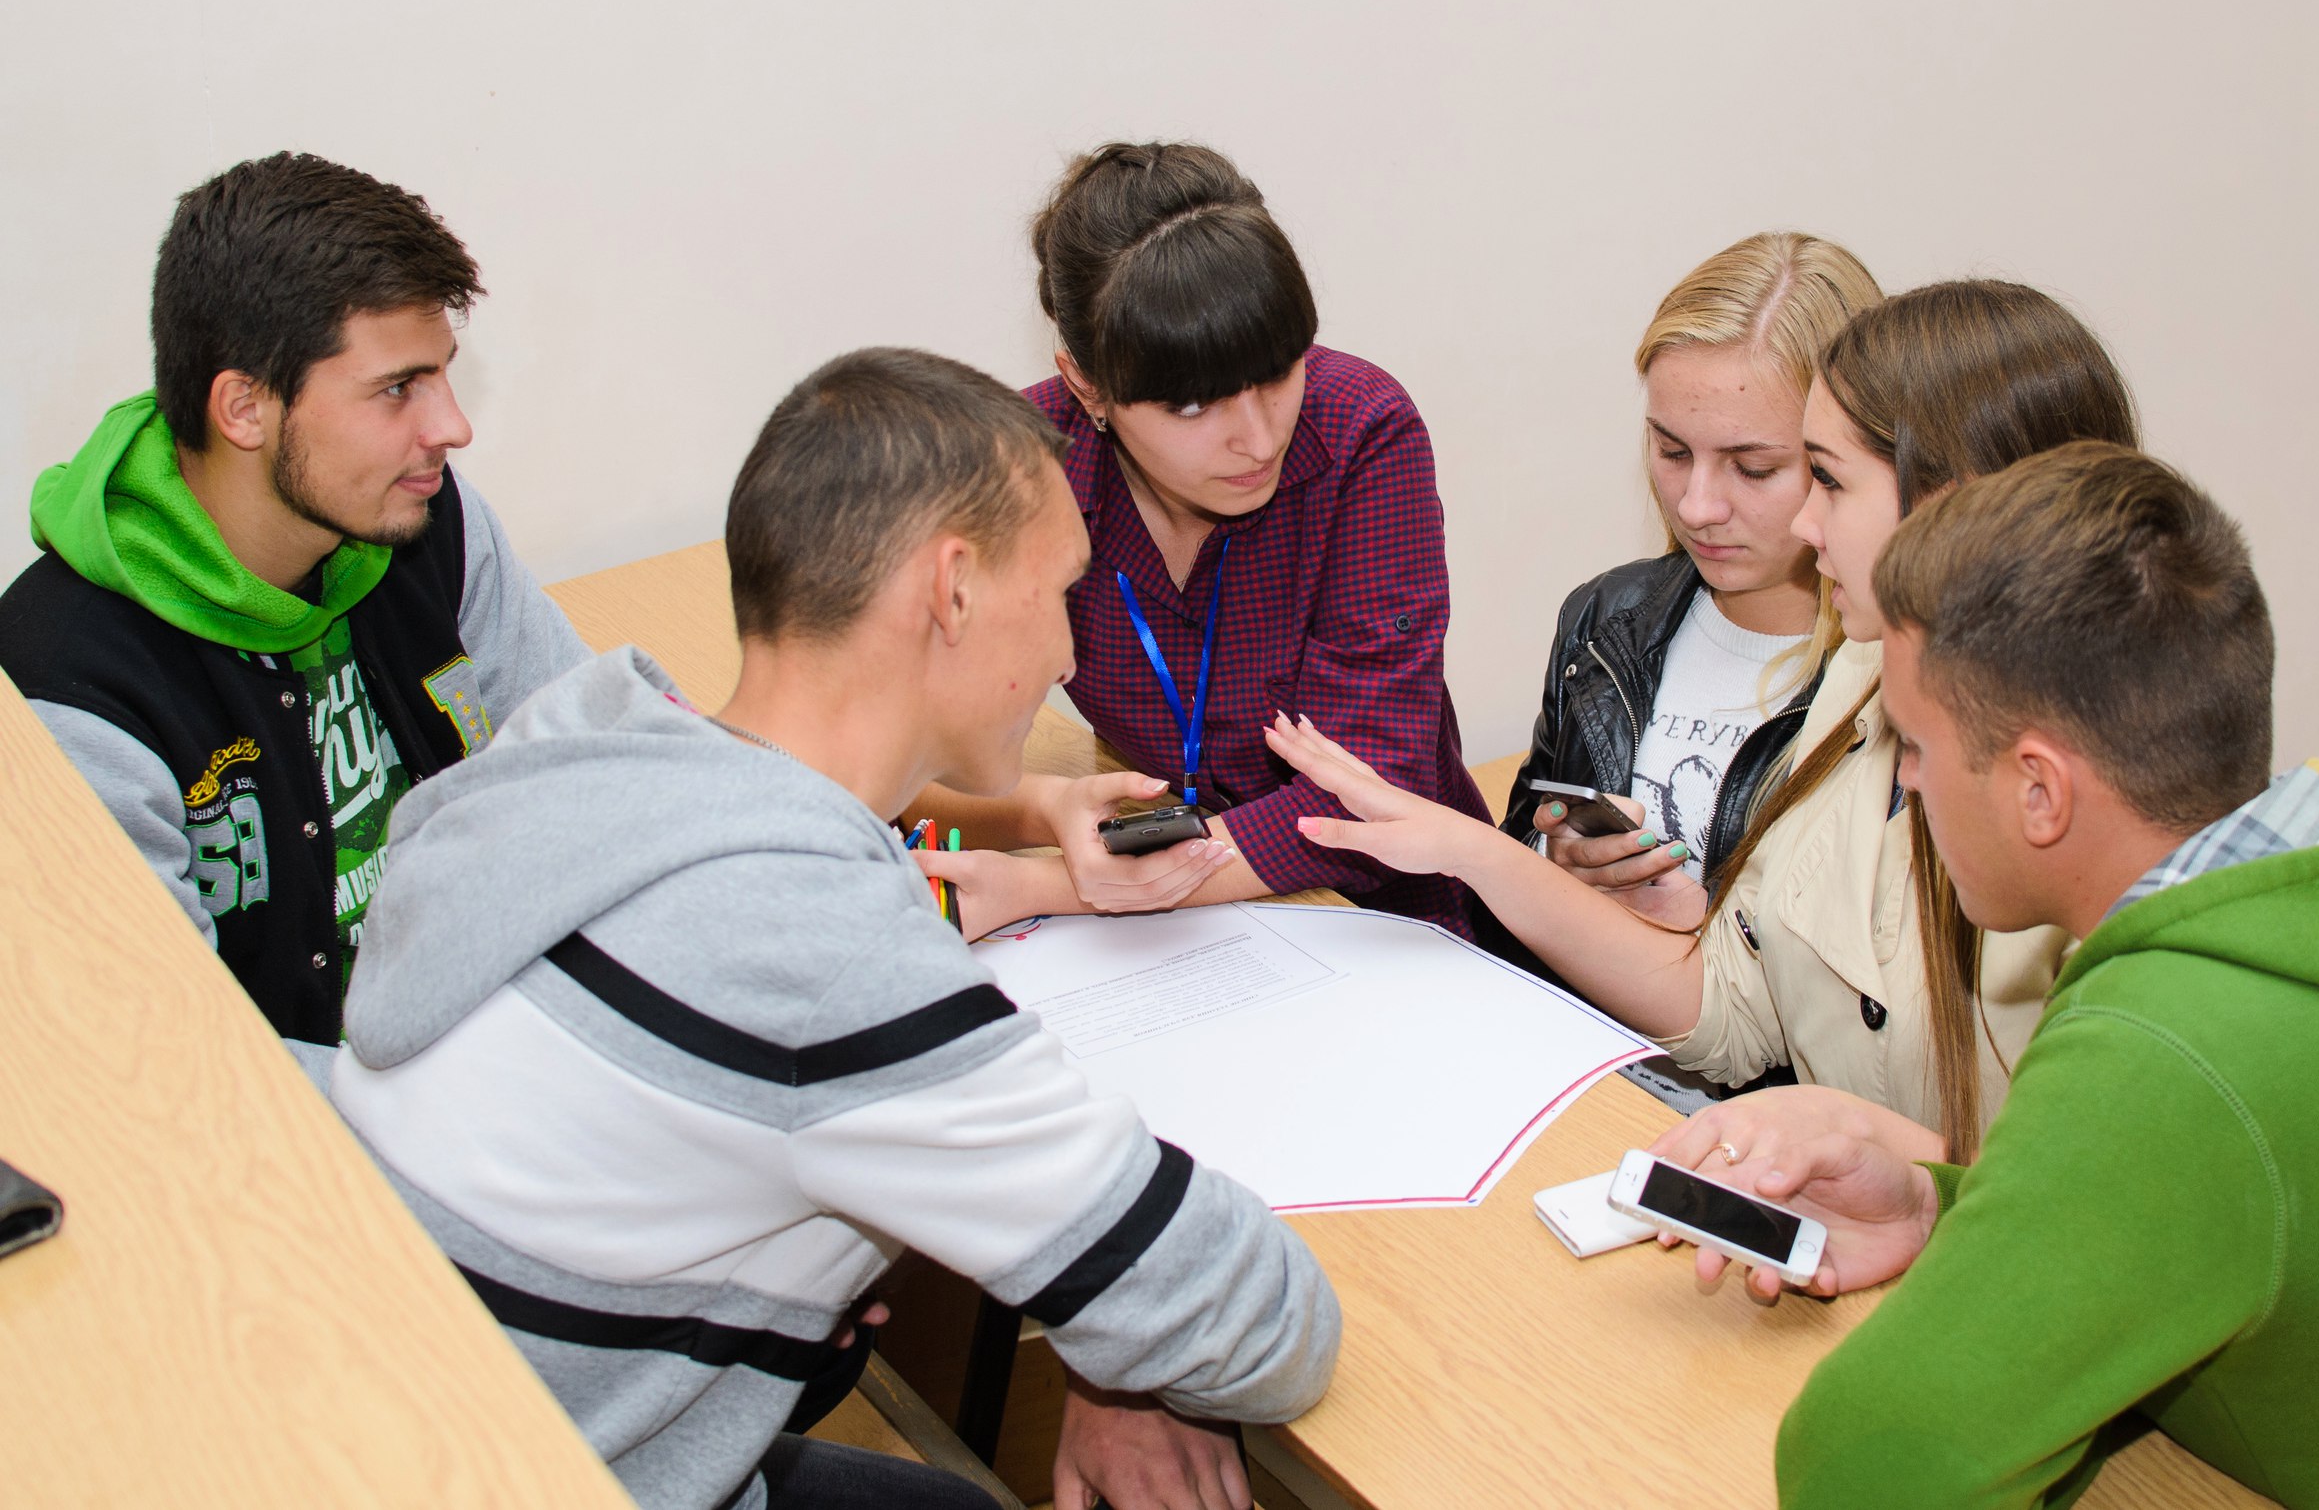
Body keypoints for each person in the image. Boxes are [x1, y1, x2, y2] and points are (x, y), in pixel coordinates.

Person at [329, 348, 1338, 1510]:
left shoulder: (578, 739)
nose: (1069, 655)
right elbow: (1265, 1327)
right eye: (1061, 593)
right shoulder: (823, 953)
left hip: (375, 1409)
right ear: (951, 591)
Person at [1653, 443, 2319, 1507]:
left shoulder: (2167, 1041)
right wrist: (1944, 1209)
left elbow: (1865, 1462)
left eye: (1914, 743)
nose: (1907, 781)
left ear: (2040, 791)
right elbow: (2240, 1226)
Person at [1268, 282, 2138, 1156]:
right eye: (1672, 450)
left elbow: (2069, 1175)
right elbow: (1732, 1007)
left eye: (1821, 478)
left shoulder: (2093, 800)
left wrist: (1903, 1174)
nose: (1802, 522)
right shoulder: (1858, 680)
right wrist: (1478, 851)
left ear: (1956, 506)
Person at [0, 152, 589, 1046]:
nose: (452, 426)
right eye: (398, 388)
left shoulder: (426, 519)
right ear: (244, 408)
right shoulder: (67, 691)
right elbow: (186, 1057)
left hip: (474, 1043)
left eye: (442, 373)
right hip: (300, 1116)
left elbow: (586, 771)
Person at [914, 141, 1490, 940]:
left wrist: (1049, 884)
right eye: (1193, 406)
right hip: (1180, 939)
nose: (1258, 438)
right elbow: (899, 756)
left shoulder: (1361, 432)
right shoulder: (1020, 471)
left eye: (1279, 371)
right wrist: (1046, 806)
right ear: (1087, 385)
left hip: (1389, 919)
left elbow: (1370, 793)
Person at [1501, 232, 1879, 937]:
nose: (1697, 506)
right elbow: (1518, 847)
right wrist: (1553, 865)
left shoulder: (1896, 675)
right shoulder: (1604, 617)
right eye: (1672, 450)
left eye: (1754, 468)